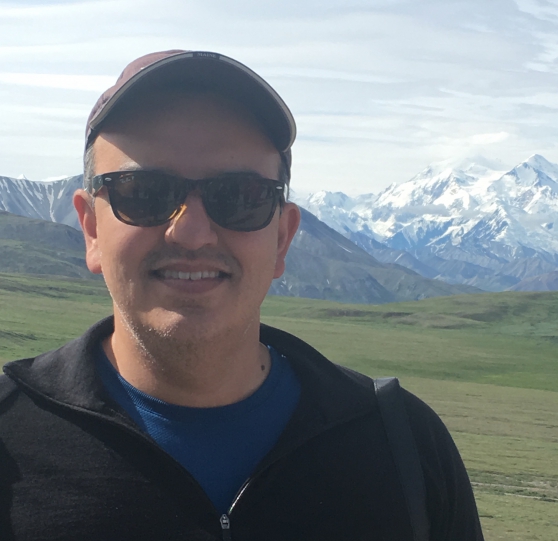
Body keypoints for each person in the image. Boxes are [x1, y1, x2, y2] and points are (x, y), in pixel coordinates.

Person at [0, 50, 484, 540]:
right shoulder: (8, 439)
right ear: (91, 229)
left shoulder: (403, 447)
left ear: (282, 238)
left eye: (240, 196)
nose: (191, 234)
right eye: (142, 192)